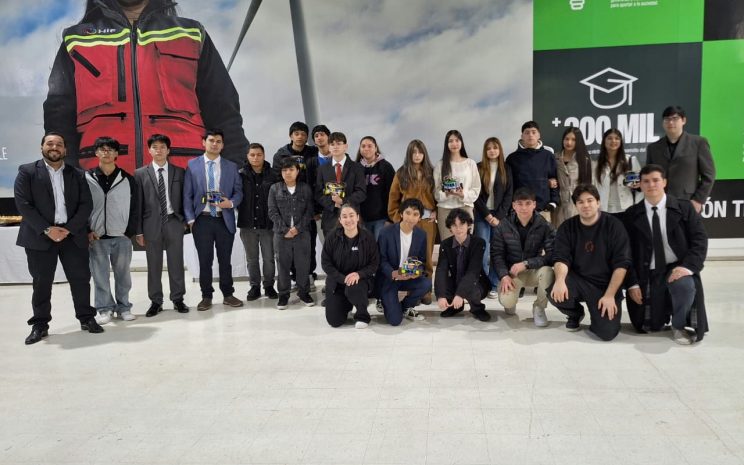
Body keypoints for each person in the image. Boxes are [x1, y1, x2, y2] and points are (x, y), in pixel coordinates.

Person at [43, 0, 249, 171]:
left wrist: (236, 175)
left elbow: (224, 113)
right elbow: (59, 119)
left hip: (187, 185)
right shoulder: (76, 39)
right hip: (101, 187)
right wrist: (69, 181)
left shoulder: (191, 34)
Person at [15, 132, 104, 345]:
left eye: (59, 144)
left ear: (65, 149)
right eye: (50, 143)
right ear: (42, 147)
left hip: (72, 236)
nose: (54, 147)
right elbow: (24, 205)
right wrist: (48, 229)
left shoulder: (77, 174)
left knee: (81, 279)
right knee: (41, 282)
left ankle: (86, 317)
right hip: (40, 236)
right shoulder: (27, 171)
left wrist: (68, 229)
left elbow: (86, 204)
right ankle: (40, 324)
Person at [623, 164, 709, 344]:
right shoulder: (631, 214)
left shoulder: (684, 208)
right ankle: (659, 315)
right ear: (640, 184)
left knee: (685, 285)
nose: (651, 185)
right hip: (647, 272)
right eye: (646, 181)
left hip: (676, 267)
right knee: (648, 327)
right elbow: (626, 253)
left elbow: (699, 240)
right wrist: (632, 283)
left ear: (664, 182)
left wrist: (687, 267)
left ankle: (679, 325)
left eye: (656, 180)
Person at [548, 184, 632, 341]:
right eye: (580, 202)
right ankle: (575, 313)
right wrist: (559, 281)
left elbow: (622, 264)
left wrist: (610, 295)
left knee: (607, 333)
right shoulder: (567, 227)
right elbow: (561, 258)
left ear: (598, 202)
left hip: (605, 285)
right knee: (555, 292)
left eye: (590, 200)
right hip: (579, 280)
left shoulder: (614, 225)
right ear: (576, 205)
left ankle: (598, 316)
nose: (585, 205)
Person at [183, 129, 244, 311]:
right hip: (202, 220)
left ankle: (228, 294)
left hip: (224, 219)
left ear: (223, 145)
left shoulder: (231, 166)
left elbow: (239, 192)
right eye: (211, 140)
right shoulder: (192, 165)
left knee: (225, 260)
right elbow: (187, 195)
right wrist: (191, 220)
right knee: (205, 261)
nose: (215, 144)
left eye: (218, 141)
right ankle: (206, 296)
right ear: (204, 142)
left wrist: (230, 203)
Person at [134, 134, 190, 317]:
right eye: (155, 147)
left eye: (162, 147)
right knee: (154, 264)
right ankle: (156, 301)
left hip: (174, 222)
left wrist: (184, 221)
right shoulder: (140, 173)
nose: (159, 150)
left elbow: (185, 197)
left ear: (168, 150)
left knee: (176, 262)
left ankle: (178, 299)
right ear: (149, 150)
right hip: (151, 224)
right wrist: (139, 231)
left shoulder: (179, 172)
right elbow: (138, 204)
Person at [85, 136, 138, 323]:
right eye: (102, 149)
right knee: (99, 276)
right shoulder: (87, 178)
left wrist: (129, 232)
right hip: (96, 236)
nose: (106, 152)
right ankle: (104, 308)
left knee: (123, 275)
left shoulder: (127, 179)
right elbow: (81, 206)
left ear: (116, 154)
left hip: (121, 236)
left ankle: (124, 307)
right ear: (96, 153)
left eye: (110, 149)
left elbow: (136, 207)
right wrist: (87, 230)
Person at [492, 188, 555, 327]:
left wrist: (527, 263)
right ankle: (511, 300)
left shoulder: (544, 225)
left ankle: (539, 308)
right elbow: (497, 254)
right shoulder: (503, 225)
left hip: (533, 270)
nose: (524, 208)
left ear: (534, 204)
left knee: (548, 272)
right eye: (520, 204)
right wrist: (504, 275)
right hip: (512, 273)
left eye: (528, 203)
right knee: (507, 302)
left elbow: (552, 255)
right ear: (514, 205)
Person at [271, 121, 321, 285]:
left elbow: (318, 179)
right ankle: (294, 277)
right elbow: (277, 179)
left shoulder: (313, 153)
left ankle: (308, 274)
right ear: (291, 136)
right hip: (287, 206)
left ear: (307, 137)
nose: (300, 137)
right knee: (288, 244)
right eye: (296, 133)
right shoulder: (281, 154)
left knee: (309, 243)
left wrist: (316, 208)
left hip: (307, 205)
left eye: (303, 134)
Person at [646, 105, 716, 214]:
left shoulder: (698, 143)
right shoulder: (653, 148)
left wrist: (698, 200)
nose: (670, 122)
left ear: (683, 120)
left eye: (675, 118)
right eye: (667, 119)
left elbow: (709, 175)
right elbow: (649, 175)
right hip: (660, 203)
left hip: (688, 202)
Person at [322, 203, 380, 328]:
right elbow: (326, 263)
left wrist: (359, 274)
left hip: (360, 282)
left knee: (354, 287)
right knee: (334, 321)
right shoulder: (332, 237)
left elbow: (374, 263)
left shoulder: (368, 237)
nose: (348, 219)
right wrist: (343, 279)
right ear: (340, 220)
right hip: (338, 282)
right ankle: (347, 304)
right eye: (344, 216)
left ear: (357, 217)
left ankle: (362, 316)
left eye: (351, 215)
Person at [267, 158, 315, 310]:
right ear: (281, 172)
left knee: (303, 264)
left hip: (302, 234)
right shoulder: (274, 188)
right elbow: (272, 212)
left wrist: (297, 229)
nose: (288, 173)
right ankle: (283, 295)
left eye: (291, 169)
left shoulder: (305, 188)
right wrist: (285, 230)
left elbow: (309, 212)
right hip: (281, 235)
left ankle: (304, 292)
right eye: (284, 170)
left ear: (297, 171)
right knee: (282, 265)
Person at [377, 199, 432, 325]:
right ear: (401, 213)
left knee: (426, 283)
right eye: (408, 213)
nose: (411, 218)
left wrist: (416, 272)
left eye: (415, 214)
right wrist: (394, 273)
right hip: (390, 278)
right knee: (395, 321)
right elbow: (381, 260)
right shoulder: (386, 232)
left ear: (419, 218)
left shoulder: (421, 235)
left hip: (408, 276)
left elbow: (421, 261)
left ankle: (406, 306)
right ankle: (386, 303)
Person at [388, 139, 437, 277]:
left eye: (420, 152)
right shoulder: (401, 173)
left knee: (427, 256)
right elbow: (393, 198)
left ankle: (426, 285)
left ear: (424, 154)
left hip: (427, 220)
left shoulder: (432, 172)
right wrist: (398, 219)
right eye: (414, 152)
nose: (417, 155)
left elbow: (438, 195)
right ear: (409, 154)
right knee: (410, 256)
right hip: (408, 221)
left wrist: (436, 211)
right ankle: (410, 285)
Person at [435, 209, 492, 322]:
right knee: (444, 285)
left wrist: (460, 294)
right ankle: (455, 307)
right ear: (450, 227)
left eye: (462, 224)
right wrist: (441, 295)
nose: (458, 229)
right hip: (455, 279)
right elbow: (441, 269)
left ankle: (477, 308)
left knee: (472, 289)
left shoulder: (478, 243)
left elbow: (473, 271)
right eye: (454, 225)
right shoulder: (445, 244)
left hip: (476, 281)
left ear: (468, 225)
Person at [238, 143, 278, 301]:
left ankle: (269, 286)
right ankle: (254, 286)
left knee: (269, 258)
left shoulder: (273, 175)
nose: (255, 158)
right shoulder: (240, 174)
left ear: (264, 155)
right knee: (251, 259)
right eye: (252, 155)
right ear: (247, 156)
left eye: (259, 155)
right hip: (247, 224)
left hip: (268, 224)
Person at [474, 137, 513, 297]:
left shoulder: (507, 168)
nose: (492, 151)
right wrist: (488, 215)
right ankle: (482, 285)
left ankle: (495, 283)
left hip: (500, 217)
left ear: (500, 150)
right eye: (489, 148)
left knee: (498, 251)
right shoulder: (478, 167)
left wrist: (498, 216)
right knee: (482, 252)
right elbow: (475, 194)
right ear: (485, 151)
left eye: (495, 148)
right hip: (482, 215)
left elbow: (509, 195)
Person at [315, 132, 366, 237]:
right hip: (330, 221)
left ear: (345, 146)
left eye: (338, 143)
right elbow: (318, 193)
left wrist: (343, 201)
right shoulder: (322, 169)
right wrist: (333, 204)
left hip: (352, 220)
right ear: (329, 147)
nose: (335, 147)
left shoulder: (357, 168)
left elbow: (361, 193)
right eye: (332, 144)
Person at [506, 121, 559, 221]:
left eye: (534, 132)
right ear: (522, 136)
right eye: (527, 132)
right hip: (519, 211)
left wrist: (553, 202)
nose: (530, 135)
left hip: (543, 210)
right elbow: (509, 186)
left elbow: (555, 180)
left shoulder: (548, 156)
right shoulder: (512, 158)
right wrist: (511, 207)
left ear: (539, 135)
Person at [433, 130, 481, 240]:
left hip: (465, 208)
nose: (454, 144)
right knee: (448, 244)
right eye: (450, 141)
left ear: (461, 142)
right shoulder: (440, 165)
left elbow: (476, 188)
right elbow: (435, 191)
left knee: (466, 244)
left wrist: (463, 194)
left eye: (457, 140)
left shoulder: (470, 163)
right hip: (445, 209)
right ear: (446, 144)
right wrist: (446, 194)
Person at [592, 128, 642, 215]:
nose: (613, 141)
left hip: (626, 208)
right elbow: (594, 187)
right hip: (604, 209)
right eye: (609, 138)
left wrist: (637, 185)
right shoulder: (596, 164)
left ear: (621, 141)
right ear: (604, 141)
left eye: (617, 138)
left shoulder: (630, 160)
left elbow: (640, 186)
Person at [355, 136, 395, 239]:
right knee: (365, 247)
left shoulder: (386, 167)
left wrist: (390, 219)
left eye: (370, 146)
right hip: (361, 219)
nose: (366, 149)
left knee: (380, 247)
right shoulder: (355, 168)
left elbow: (393, 194)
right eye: (363, 146)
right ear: (360, 149)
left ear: (376, 148)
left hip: (381, 219)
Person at [553, 127, 591, 227]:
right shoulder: (555, 158)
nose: (569, 142)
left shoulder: (584, 160)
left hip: (577, 203)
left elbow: (588, 185)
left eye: (573, 140)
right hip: (559, 203)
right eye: (566, 139)